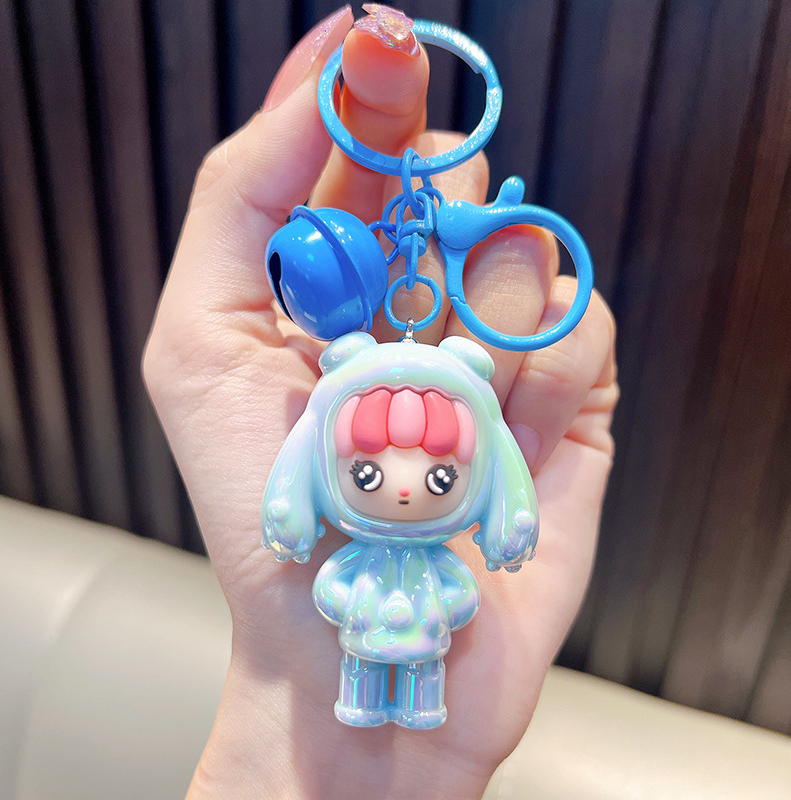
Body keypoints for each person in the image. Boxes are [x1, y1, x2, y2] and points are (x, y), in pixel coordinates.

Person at [143, 5, 618, 798]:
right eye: (368, 475)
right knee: (365, 676)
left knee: (417, 679)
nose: (401, 488)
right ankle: (362, 708)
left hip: (418, 641)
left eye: (437, 479)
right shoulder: (349, 531)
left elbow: (456, 593)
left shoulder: (424, 545)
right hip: (370, 638)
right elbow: (336, 585)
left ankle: (417, 710)